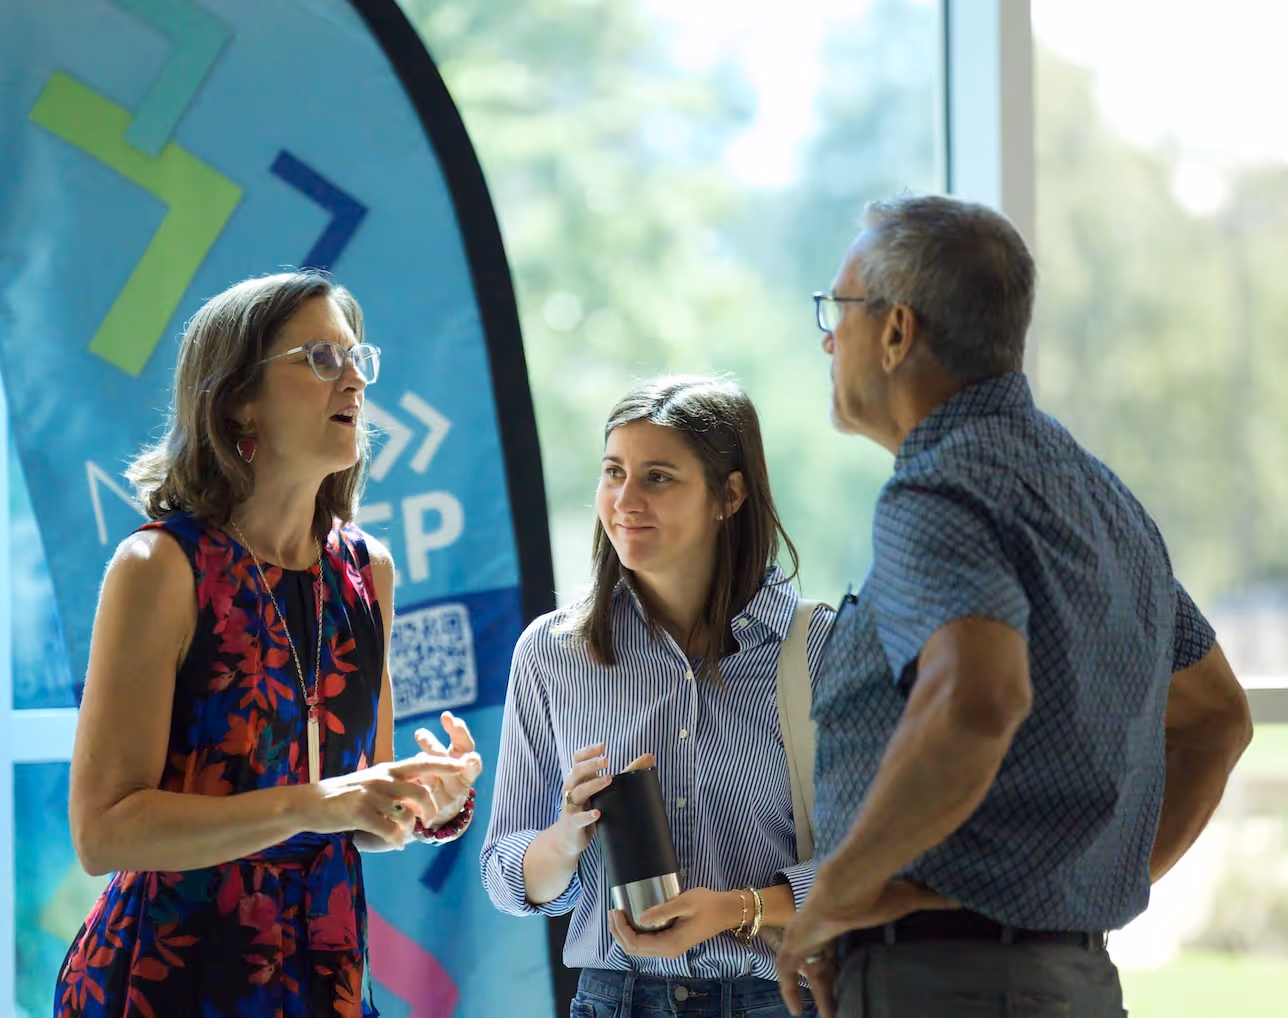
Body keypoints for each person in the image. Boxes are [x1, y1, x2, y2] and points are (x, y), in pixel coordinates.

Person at [775, 193, 1255, 1017]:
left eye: (840, 309)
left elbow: (976, 699)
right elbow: (1218, 720)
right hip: (1068, 982)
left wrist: (830, 904)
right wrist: (1064, 904)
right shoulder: (1097, 497)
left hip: (947, 989)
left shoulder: (940, 486)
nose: (828, 335)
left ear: (897, 332)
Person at [54, 271, 483, 1018]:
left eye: (357, 358)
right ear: (237, 401)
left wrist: (422, 795)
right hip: (170, 976)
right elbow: (104, 833)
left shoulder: (367, 571)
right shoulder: (160, 567)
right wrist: (314, 804)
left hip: (326, 974)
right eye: (320, 359)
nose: (353, 378)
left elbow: (362, 815)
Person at [480, 376, 837, 1018]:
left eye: (659, 477)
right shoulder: (551, 651)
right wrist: (566, 835)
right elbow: (507, 878)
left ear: (729, 495)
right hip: (613, 1000)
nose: (625, 500)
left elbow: (872, 864)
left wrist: (739, 908)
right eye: (613, 472)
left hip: (777, 1000)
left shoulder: (817, 649)